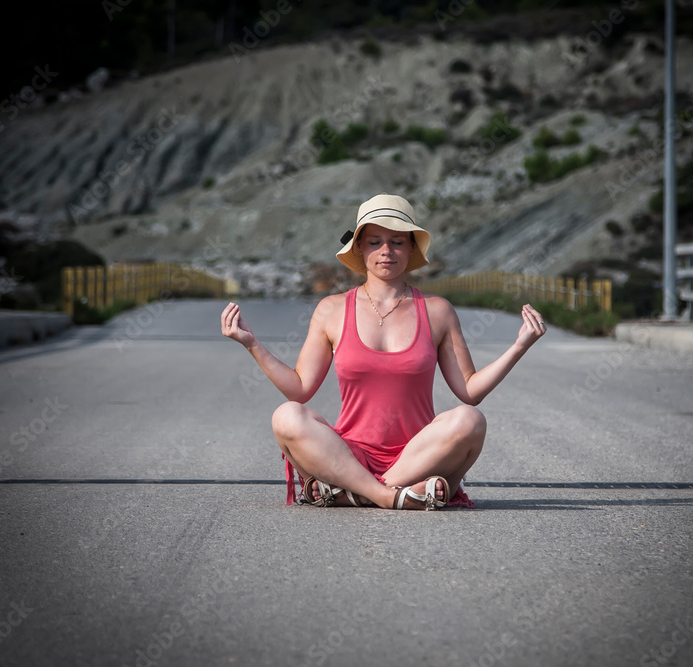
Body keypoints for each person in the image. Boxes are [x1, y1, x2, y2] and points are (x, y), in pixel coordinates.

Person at [220, 193, 546, 510]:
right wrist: (252, 343)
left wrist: (519, 346)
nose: (386, 251)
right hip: (348, 454)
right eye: (375, 241)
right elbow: (300, 389)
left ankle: (353, 492)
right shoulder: (331, 310)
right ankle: (392, 496)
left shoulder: (437, 311)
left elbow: (469, 391)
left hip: (417, 456)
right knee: (286, 415)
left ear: (411, 248)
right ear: (360, 247)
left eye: (397, 241)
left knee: (471, 420)